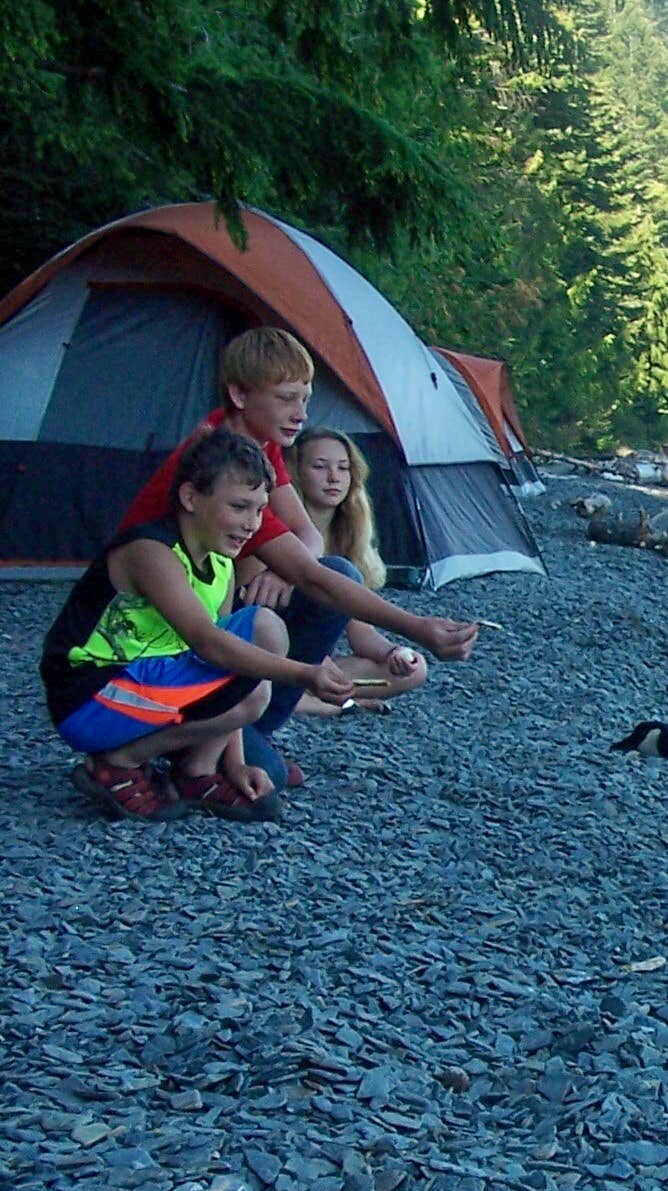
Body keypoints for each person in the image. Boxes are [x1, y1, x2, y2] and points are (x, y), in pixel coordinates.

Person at [119, 327, 478, 784]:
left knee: (334, 572)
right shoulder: (222, 463)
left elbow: (308, 537)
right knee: (317, 588)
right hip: (150, 642)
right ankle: (188, 742)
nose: (301, 414)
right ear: (240, 395)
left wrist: (283, 569)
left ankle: (244, 730)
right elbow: (310, 575)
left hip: (194, 624)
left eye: (306, 399)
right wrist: (417, 627)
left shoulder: (258, 445)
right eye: (287, 398)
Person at [42, 431, 352, 822]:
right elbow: (208, 644)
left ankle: (198, 772)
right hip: (89, 696)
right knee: (261, 640)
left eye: (259, 510)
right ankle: (118, 763)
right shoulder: (151, 551)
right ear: (190, 498)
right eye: (239, 507)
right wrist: (306, 673)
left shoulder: (221, 565)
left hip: (142, 687)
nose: (252, 524)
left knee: (256, 673)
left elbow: (231, 668)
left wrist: (235, 763)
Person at [286, 427, 427, 715]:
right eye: (320, 467)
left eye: (343, 468)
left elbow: (360, 631)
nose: (333, 477)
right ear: (296, 473)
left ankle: (313, 697)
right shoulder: (280, 535)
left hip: (315, 665)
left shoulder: (346, 540)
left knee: (415, 669)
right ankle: (327, 704)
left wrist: (393, 653)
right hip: (274, 657)